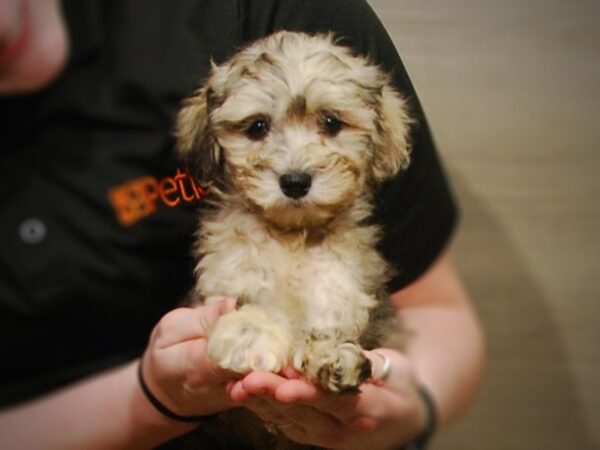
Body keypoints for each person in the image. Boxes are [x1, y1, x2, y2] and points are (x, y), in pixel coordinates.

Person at [0, 0, 485, 448]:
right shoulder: (228, 244)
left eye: (331, 126)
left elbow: (439, 317)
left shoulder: (275, 7)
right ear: (212, 140)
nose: (294, 164)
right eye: (256, 129)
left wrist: (413, 406)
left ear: (377, 134)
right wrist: (151, 400)